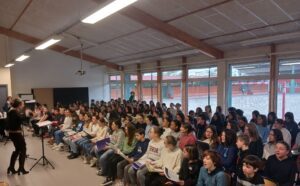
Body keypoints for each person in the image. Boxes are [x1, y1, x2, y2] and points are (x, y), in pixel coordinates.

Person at [6, 98, 29, 175]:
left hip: (13, 134)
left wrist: (22, 116)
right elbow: (16, 123)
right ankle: (21, 168)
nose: (23, 105)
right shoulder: (14, 112)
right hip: (16, 134)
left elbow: (17, 120)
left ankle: (11, 167)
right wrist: (25, 115)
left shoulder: (12, 111)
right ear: (19, 105)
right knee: (23, 149)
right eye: (22, 104)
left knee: (18, 150)